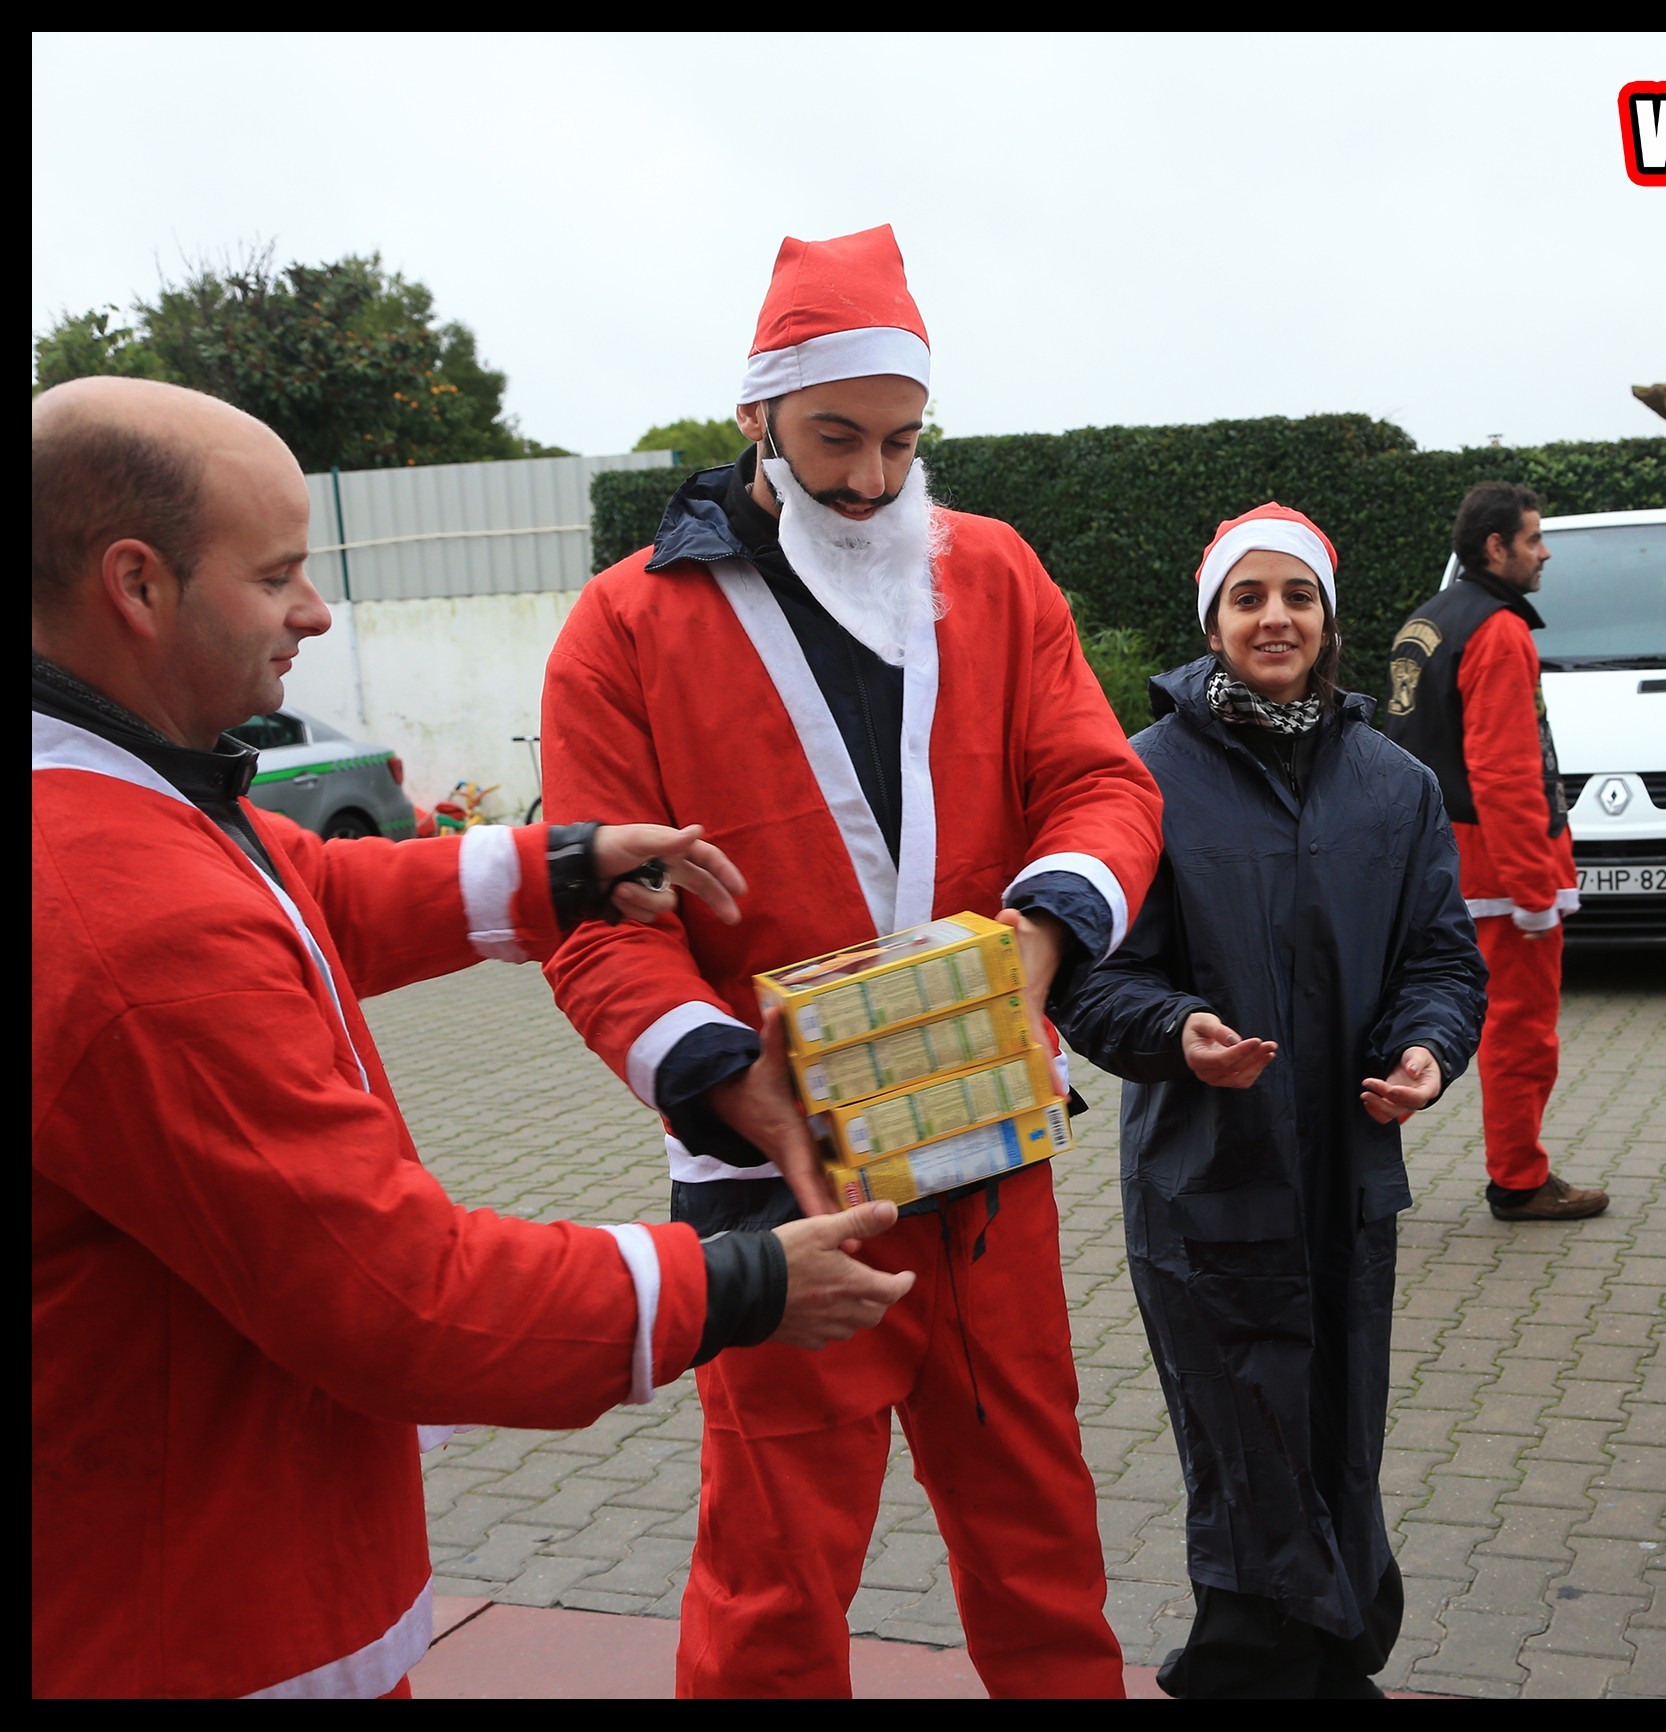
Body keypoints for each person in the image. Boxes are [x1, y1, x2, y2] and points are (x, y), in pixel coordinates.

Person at [32, 377, 916, 1700]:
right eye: (278, 576)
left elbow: (306, 892)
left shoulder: (123, 800)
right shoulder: (118, 916)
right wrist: (735, 1284)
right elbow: (398, 1295)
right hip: (208, 1625)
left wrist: (564, 865)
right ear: (136, 585)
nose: (315, 613)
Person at [539, 227, 1163, 1699]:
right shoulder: (623, 628)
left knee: (1042, 1550)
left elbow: (1103, 787)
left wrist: (1042, 933)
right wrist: (736, 1087)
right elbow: (594, 925)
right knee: (771, 1585)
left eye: (899, 440)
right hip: (776, 1200)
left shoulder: (996, 574)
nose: (871, 480)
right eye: (834, 438)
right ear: (753, 411)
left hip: (985, 1168)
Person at [1058, 505, 1487, 1698]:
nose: (1275, 618)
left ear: (1330, 618)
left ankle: (1342, 1658)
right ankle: (1258, 1670)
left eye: (1296, 595)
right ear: (1213, 621)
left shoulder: (1394, 785)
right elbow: (1091, 981)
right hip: (1209, 1184)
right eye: (1247, 597)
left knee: (1344, 1439)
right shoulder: (1141, 781)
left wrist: (1427, 1052)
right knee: (1248, 1456)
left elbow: (1444, 961)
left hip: (1349, 1175)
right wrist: (1171, 1032)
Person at [1377, 481, 1607, 1222]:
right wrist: (1536, 893)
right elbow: (1507, 772)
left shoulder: (1426, 622)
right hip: (1497, 873)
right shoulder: (1500, 631)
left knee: (1400, 1021)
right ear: (1494, 547)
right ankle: (1518, 1177)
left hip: (1425, 858)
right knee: (1519, 1031)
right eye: (1534, 540)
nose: (1544, 555)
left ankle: (1325, 1164)